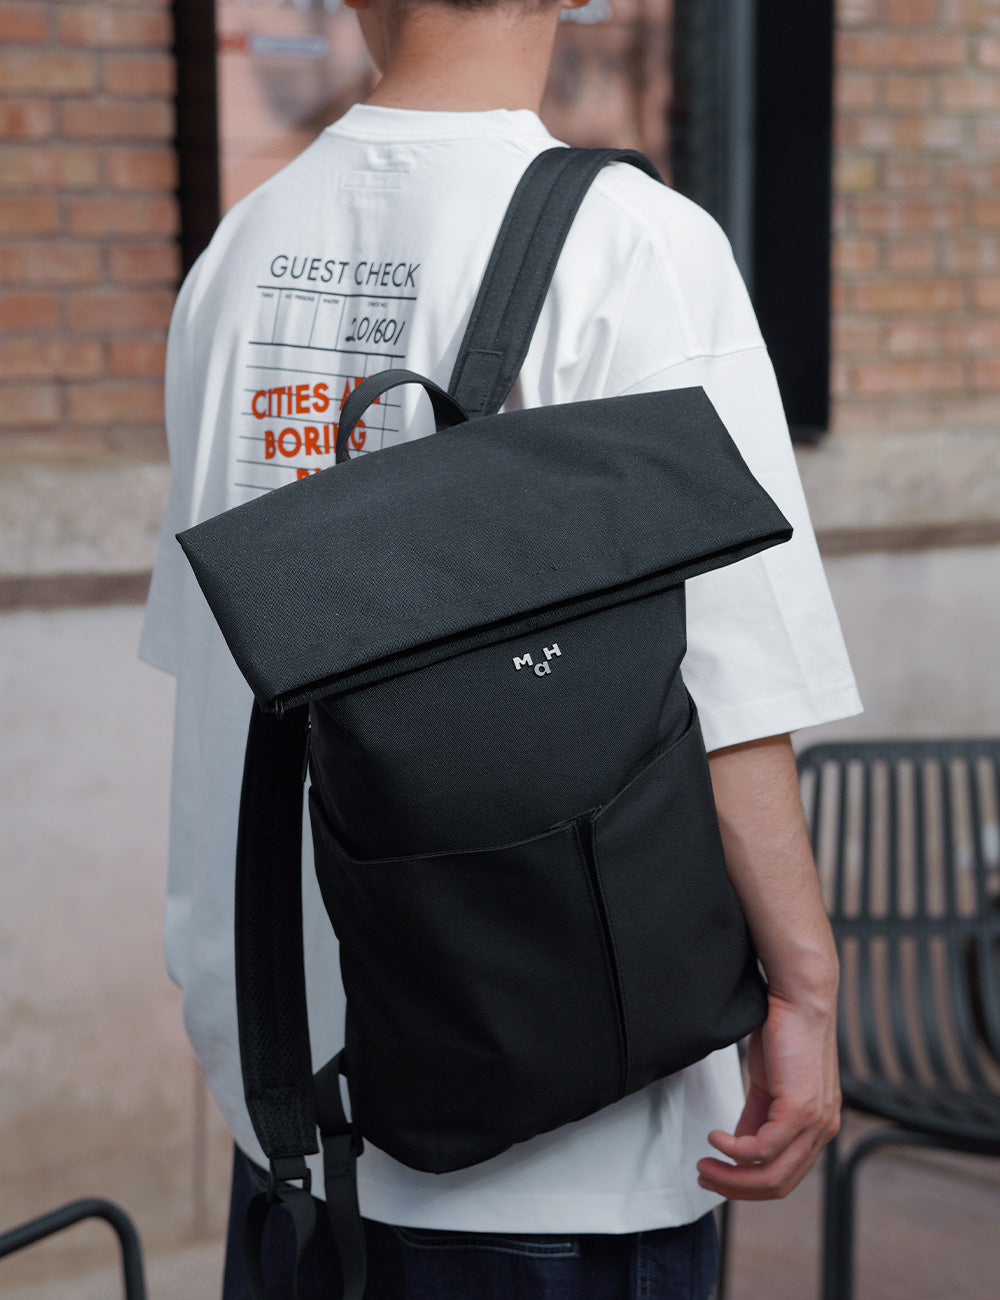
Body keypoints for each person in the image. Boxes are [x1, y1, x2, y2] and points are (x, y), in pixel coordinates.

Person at [140, 0, 863, 1295]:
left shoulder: (239, 252)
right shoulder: (635, 244)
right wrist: (803, 988)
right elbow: (729, 675)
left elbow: (209, 667)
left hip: (292, 1118)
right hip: (563, 1127)